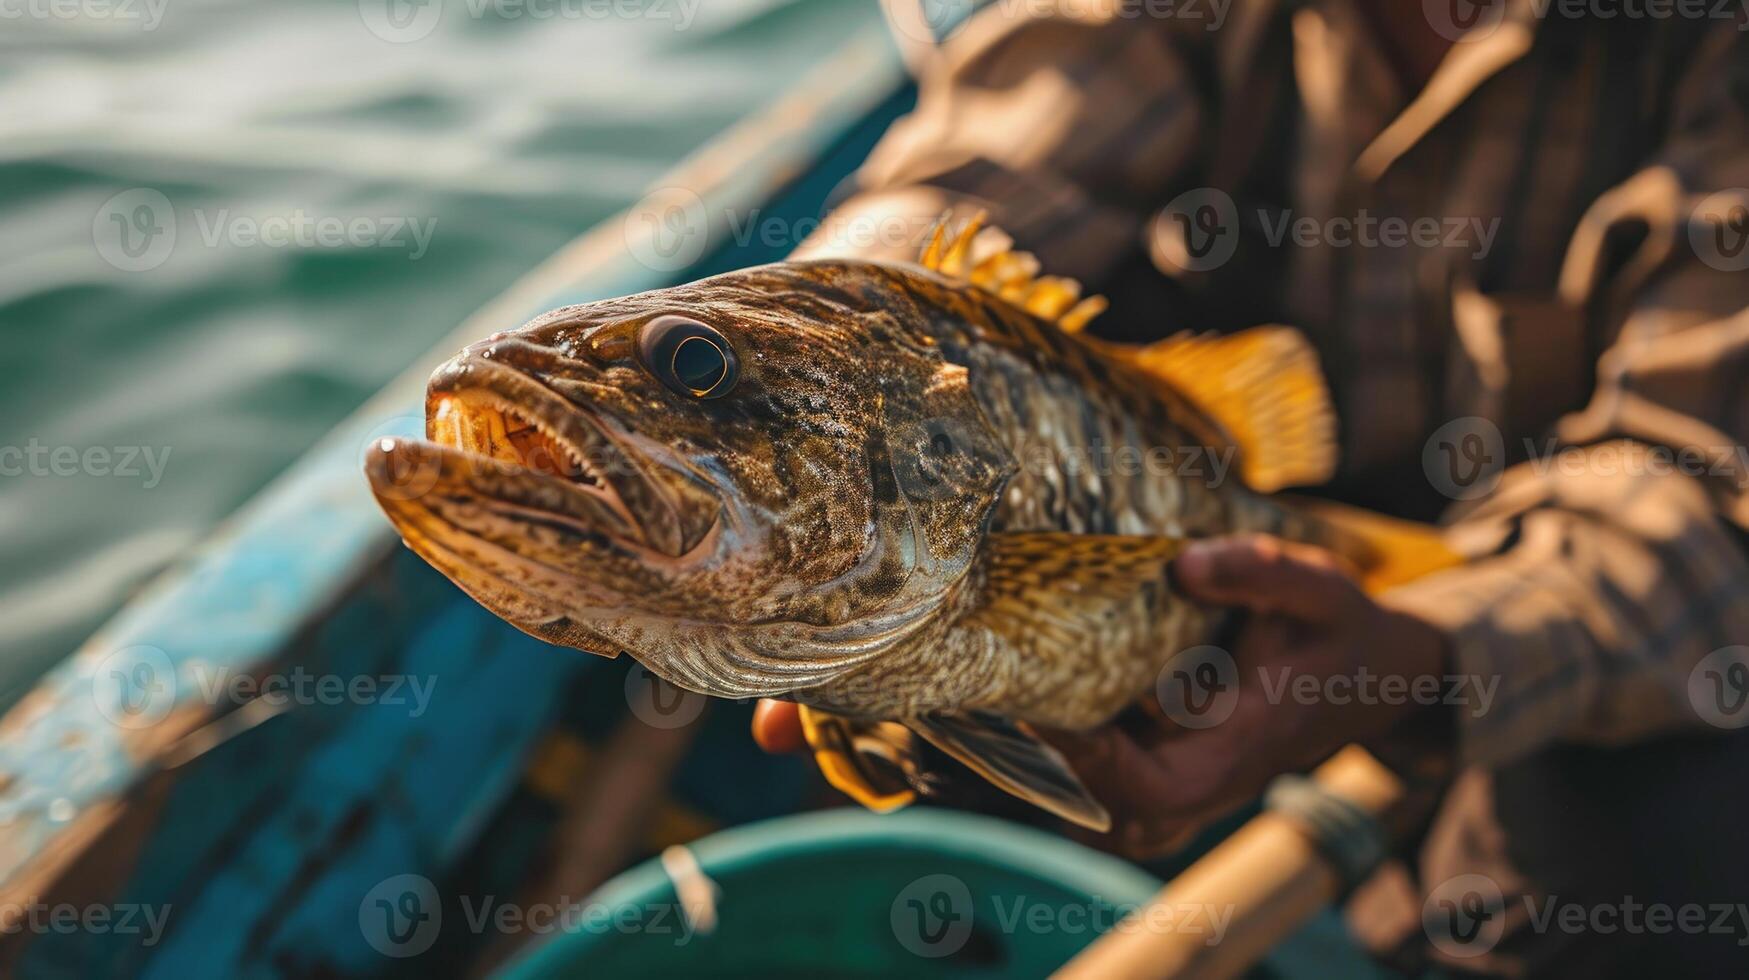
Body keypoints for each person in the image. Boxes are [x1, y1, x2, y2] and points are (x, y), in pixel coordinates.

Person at [752, 0, 1749, 973]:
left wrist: (1410, 659)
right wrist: (797, 358)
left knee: (1626, 866)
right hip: (1218, 550)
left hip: (1545, 617)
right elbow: (981, 169)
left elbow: (1697, 489)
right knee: (890, 774)